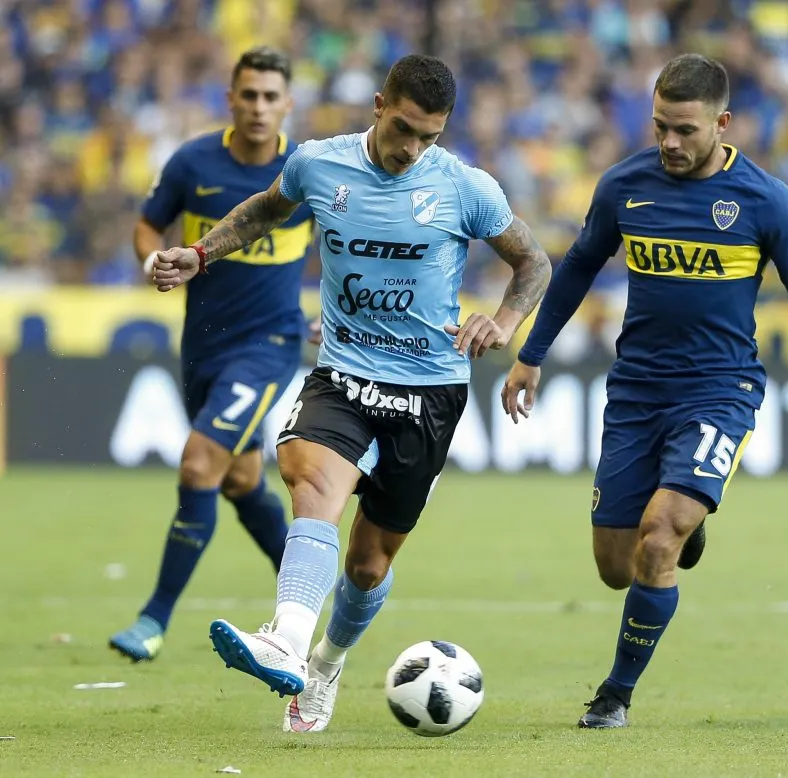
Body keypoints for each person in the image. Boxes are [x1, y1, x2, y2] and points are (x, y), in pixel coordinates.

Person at [152, 54, 552, 732]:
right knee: (310, 481)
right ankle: (286, 641)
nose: (413, 148)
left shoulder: (465, 187)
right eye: (403, 129)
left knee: (369, 565)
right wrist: (200, 255)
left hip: (428, 392)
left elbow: (533, 261)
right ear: (377, 105)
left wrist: (505, 321)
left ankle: (326, 661)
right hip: (343, 372)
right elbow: (263, 211)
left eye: (429, 136)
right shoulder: (320, 163)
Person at [501, 54, 788, 729]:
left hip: (719, 391)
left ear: (722, 123)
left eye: (684, 130)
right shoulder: (625, 186)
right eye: (659, 128)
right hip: (636, 392)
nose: (670, 144)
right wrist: (531, 353)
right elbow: (579, 267)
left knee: (658, 538)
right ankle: (686, 528)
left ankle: (615, 694)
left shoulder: (767, 201)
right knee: (615, 567)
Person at [109, 47, 316, 662]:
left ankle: (153, 619)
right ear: (231, 99)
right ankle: (309, 591)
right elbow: (149, 223)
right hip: (201, 347)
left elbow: (343, 243)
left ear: (287, 104)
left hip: (270, 345)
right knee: (240, 479)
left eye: (270, 97)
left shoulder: (306, 172)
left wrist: (337, 312)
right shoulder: (192, 161)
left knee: (200, 465)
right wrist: (153, 260)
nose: (258, 107)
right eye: (248, 95)